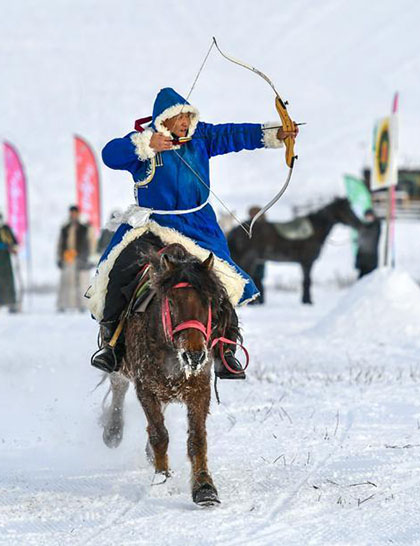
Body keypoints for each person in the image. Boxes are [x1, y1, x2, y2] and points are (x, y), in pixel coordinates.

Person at [88, 87, 298, 377]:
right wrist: (146, 144)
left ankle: (226, 350)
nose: (186, 122)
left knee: (222, 278)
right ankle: (112, 347)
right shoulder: (145, 143)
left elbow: (233, 135)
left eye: (188, 115)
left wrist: (277, 134)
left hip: (198, 227)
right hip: (154, 226)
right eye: (180, 117)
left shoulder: (201, 137)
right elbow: (110, 155)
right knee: (120, 270)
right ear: (165, 119)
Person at [57, 205, 94, 312]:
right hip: (67, 257)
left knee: (81, 282)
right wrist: (59, 257)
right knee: (66, 282)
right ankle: (63, 304)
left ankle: (81, 305)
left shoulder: (84, 228)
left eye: (75, 213)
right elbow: (60, 244)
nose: (73, 215)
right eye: (71, 213)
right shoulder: (65, 228)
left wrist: (88, 257)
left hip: (80, 257)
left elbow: (89, 243)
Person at [247, 205, 266, 304]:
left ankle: (261, 299)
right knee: (252, 278)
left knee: (258, 279)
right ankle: (252, 299)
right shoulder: (249, 225)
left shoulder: (264, 227)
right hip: (251, 257)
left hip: (260, 257)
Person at [355, 209, 381, 278]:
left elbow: (369, 235)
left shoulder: (376, 225)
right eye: (366, 216)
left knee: (369, 279)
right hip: (362, 259)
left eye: (369, 216)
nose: (368, 218)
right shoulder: (364, 226)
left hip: (371, 259)